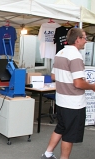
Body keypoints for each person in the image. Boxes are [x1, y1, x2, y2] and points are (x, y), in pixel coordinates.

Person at [41, 28, 95, 159]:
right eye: (84, 38)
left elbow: (54, 75)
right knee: (69, 134)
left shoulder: (60, 52)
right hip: (73, 103)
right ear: (77, 40)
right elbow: (78, 84)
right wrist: (92, 86)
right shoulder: (76, 56)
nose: (86, 41)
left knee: (61, 128)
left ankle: (48, 153)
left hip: (61, 100)